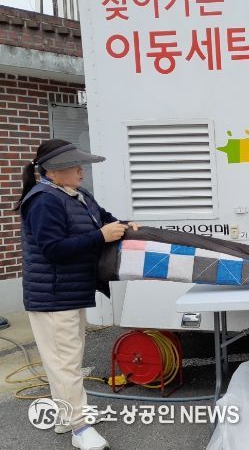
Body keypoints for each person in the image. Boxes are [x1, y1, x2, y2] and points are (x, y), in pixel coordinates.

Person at [14, 139, 139, 450]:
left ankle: (64, 418)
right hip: (53, 297)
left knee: (65, 361)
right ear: (53, 172)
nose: (82, 170)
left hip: (69, 293)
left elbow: (105, 219)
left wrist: (124, 226)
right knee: (65, 364)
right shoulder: (43, 201)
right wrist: (100, 236)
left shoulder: (77, 195)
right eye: (74, 165)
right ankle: (80, 429)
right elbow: (53, 249)